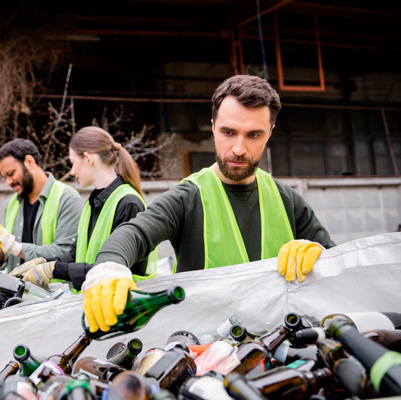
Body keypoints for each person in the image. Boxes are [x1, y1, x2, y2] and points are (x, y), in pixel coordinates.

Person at [82, 75, 336, 333]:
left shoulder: (287, 200)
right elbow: (134, 233)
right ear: (213, 127)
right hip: (205, 355)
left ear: (270, 133)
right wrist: (109, 269)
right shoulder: (188, 197)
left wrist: (319, 255)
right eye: (228, 132)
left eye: (254, 135)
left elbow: (339, 267)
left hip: (279, 348)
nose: (239, 148)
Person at [8, 126, 156, 291]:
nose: (71, 172)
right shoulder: (92, 203)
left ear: (87, 158)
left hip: (121, 305)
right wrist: (44, 262)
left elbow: (110, 270)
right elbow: (75, 254)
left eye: (72, 163)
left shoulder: (128, 204)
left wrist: (55, 269)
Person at [0, 138, 83, 272]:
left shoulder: (67, 199)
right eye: (5, 177)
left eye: (11, 174)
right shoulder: (11, 204)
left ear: (30, 162)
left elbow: (66, 253)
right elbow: (9, 257)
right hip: (16, 291)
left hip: (54, 292)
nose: (8, 183)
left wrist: (15, 247)